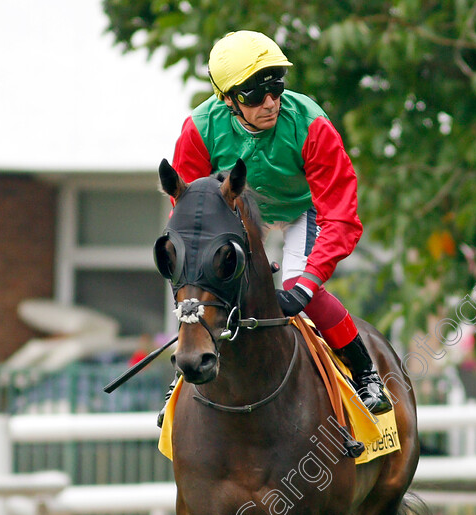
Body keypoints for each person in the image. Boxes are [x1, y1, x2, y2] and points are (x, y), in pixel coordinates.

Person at [159, 29, 391, 420]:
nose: (271, 102)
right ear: (229, 99)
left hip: (303, 208)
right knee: (203, 287)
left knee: (303, 289)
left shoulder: (311, 124)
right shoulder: (198, 129)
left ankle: (366, 373)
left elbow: (341, 216)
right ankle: (182, 378)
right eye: (255, 95)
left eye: (276, 88)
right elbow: (187, 211)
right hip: (238, 211)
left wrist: (306, 285)